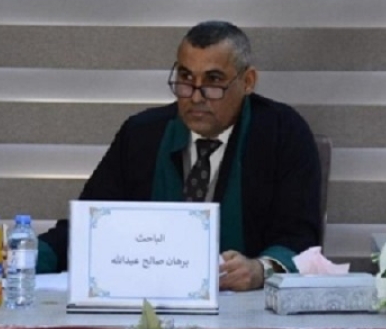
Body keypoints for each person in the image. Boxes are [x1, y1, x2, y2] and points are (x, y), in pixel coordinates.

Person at [37, 20, 322, 291]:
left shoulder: (283, 133)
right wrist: (28, 256)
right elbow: (90, 226)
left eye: (213, 81)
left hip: (247, 309)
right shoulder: (142, 134)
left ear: (247, 81)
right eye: (186, 78)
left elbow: (300, 236)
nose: (196, 97)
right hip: (150, 299)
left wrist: (261, 269)